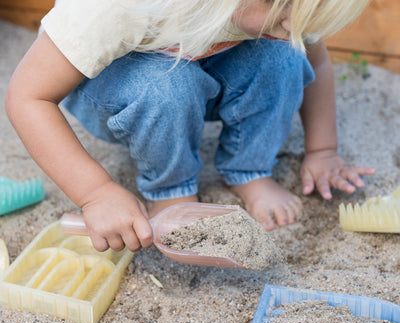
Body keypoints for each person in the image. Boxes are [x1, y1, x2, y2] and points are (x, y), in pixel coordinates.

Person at [5, 0, 375, 253]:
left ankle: (249, 170)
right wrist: (97, 194)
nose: (292, 22)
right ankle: (171, 190)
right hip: (116, 88)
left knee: (284, 54)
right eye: (278, 5)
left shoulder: (287, 12)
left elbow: (318, 63)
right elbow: (28, 97)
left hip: (200, 69)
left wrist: (323, 150)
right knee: (168, 86)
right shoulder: (120, 7)